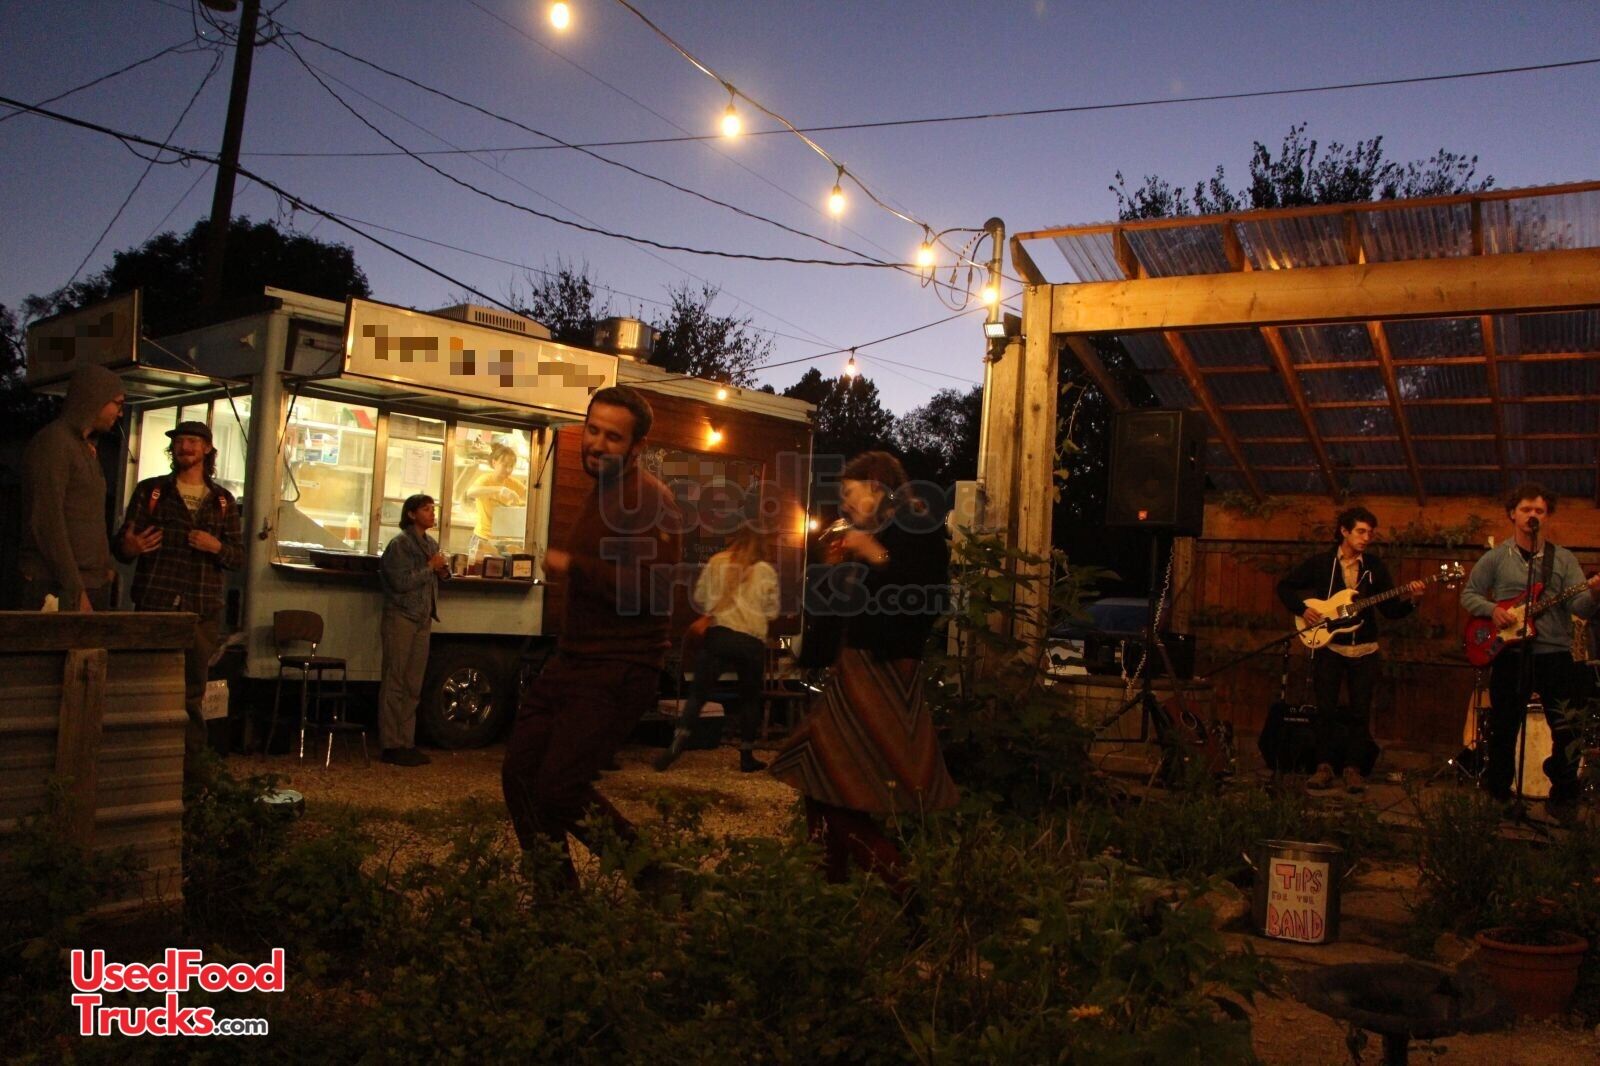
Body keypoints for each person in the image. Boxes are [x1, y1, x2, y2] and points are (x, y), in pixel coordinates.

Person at [501, 386, 682, 889]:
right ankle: (558, 900)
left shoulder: (648, 499)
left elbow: (654, 591)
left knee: (560, 787)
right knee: (521, 775)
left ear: (637, 446)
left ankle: (660, 882)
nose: (597, 443)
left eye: (613, 437)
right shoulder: (602, 490)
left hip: (620, 666)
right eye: (592, 429)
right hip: (574, 659)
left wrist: (574, 565)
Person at [768, 451, 958, 902]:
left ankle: (905, 890)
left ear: (876, 487)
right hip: (857, 669)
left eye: (850, 494)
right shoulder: (875, 534)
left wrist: (872, 553)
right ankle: (830, 888)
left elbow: (924, 595)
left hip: (884, 673)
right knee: (819, 779)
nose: (844, 505)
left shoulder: (916, 525)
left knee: (825, 781)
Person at [1460, 483, 1598, 818]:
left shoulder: (1562, 559)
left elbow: (1579, 606)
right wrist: (1493, 610)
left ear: (1546, 516)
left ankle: (1563, 797)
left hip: (1554, 653)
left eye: (1539, 510)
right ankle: (1498, 795)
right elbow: (1469, 595)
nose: (1532, 515)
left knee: (1566, 728)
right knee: (1503, 728)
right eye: (1526, 509)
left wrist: (1595, 593)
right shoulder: (1496, 557)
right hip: (1510, 654)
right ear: (1512, 513)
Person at [114, 420, 245, 758]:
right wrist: (130, 547)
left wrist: (216, 546)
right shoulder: (152, 491)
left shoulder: (222, 501)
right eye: (179, 441)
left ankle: (190, 766)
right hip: (155, 603)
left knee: (192, 691)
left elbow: (238, 557)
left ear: (207, 449)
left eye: (192, 441)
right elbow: (122, 545)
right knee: (147, 684)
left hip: (201, 609)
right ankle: (143, 759)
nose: (184, 447)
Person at [1276, 506, 1424, 794]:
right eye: (1361, 531)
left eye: (1370, 533)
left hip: (1364, 649)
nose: (1366, 537)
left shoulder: (1374, 567)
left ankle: (1353, 769)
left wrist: (1413, 600)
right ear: (1344, 531)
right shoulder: (1322, 563)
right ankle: (1323, 767)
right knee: (1325, 709)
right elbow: (1285, 587)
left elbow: (1390, 611)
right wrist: (1302, 609)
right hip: (1330, 647)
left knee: (1360, 710)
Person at [654, 524, 779, 774]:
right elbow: (772, 611)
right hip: (751, 641)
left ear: (736, 540)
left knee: (698, 695)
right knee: (749, 699)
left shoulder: (717, 561)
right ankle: (746, 756)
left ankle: (677, 742)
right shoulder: (766, 570)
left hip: (719, 635)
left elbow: (701, 597)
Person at [18, 364, 126, 611]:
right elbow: (47, 521)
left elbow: (88, 517)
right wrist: (74, 590)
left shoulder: (85, 448)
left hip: (88, 583)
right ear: (95, 399)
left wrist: (106, 567)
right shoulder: (54, 443)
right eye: (118, 403)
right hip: (56, 585)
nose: (120, 413)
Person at [378, 494, 449, 767]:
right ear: (411, 514)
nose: (432, 514)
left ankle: (407, 741)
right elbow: (400, 582)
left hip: (423, 618)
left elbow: (435, 576)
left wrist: (442, 572)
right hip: (401, 615)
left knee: (413, 683)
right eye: (426, 509)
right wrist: (429, 567)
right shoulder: (400, 544)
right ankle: (390, 742)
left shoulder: (431, 543)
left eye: (433, 509)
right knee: (395, 679)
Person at [461, 442, 527, 561]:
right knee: (478, 570)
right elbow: (470, 492)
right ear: (494, 462)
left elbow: (531, 498)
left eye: (511, 466)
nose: (508, 470)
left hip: (505, 541)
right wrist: (499, 489)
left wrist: (521, 505)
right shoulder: (485, 480)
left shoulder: (514, 484)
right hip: (483, 538)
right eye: (505, 465)